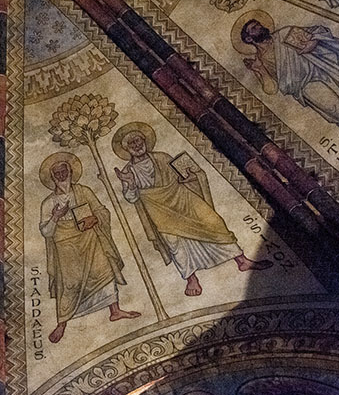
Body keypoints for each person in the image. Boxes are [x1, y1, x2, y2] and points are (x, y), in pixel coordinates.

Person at [113, 122, 272, 297]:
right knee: (176, 243)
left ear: (145, 141)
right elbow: (131, 198)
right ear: (126, 148)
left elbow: (186, 175)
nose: (136, 145)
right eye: (131, 143)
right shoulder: (128, 171)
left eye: (138, 140)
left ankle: (242, 260)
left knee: (214, 222)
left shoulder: (163, 157)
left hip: (183, 199)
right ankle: (191, 279)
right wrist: (130, 184)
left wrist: (190, 176)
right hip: (160, 211)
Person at [39, 152, 140, 344]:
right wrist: (56, 217)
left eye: (64, 171)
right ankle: (62, 323)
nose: (61, 175)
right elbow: (45, 231)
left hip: (90, 240)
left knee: (104, 271)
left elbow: (101, 210)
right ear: (52, 177)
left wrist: (95, 218)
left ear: (70, 172)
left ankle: (115, 310)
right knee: (69, 285)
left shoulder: (84, 191)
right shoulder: (48, 203)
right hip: (66, 248)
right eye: (57, 173)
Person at [235, 10, 339, 128]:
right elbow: (272, 89)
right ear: (249, 39)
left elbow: (316, 32)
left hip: (321, 70)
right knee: (336, 110)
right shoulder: (259, 62)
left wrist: (313, 42)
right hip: (306, 86)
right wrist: (261, 69)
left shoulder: (284, 34)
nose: (259, 27)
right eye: (254, 28)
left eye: (258, 24)